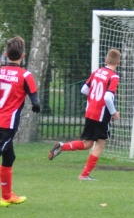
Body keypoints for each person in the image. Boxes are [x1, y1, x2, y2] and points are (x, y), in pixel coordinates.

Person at [48, 48, 121, 180]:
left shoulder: (97, 72)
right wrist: (114, 112)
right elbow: (108, 98)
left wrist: (94, 99)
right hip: (100, 114)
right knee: (99, 145)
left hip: (90, 112)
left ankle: (62, 147)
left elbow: (84, 89)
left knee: (87, 144)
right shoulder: (114, 77)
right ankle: (84, 175)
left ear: (106, 60)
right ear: (118, 62)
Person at [0, 36, 40, 207]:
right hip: (6, 124)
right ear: (23, 55)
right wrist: (36, 107)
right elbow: (35, 100)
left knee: (9, 156)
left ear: (6, 54)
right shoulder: (25, 75)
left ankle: (7, 196)